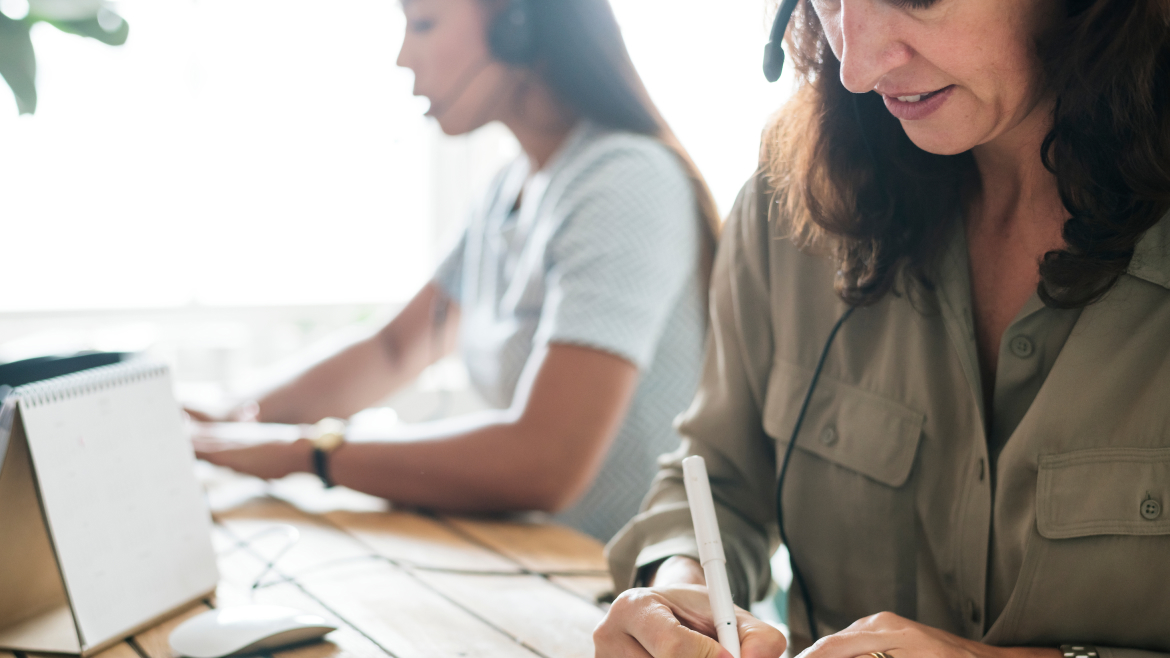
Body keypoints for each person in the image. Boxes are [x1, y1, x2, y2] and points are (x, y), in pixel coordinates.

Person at [596, 0, 1170, 656]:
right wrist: (678, 587)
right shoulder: (787, 211)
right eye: (829, 0)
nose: (858, 68)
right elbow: (715, 481)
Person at [191, 0, 720, 542]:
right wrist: (226, 419)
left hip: (628, 596)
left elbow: (544, 461)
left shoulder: (624, 182)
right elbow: (394, 349)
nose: (402, 57)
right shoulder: (510, 187)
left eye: (423, 24)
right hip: (528, 564)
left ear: (519, 27)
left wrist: (306, 453)